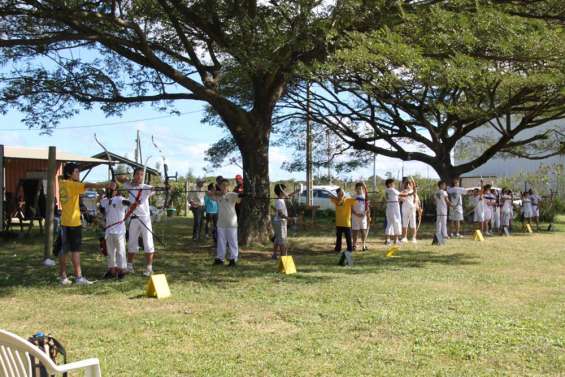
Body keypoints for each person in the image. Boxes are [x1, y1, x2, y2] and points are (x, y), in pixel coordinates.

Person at [57, 162, 115, 285]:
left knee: (63, 250)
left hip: (64, 222)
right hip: (73, 223)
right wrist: (107, 184)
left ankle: (63, 277)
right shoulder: (72, 185)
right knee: (75, 251)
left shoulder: (62, 183)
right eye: (76, 172)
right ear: (69, 173)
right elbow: (89, 184)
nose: (78, 174)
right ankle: (79, 278)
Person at [124, 167, 159, 277]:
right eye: (138, 174)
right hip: (134, 217)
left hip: (145, 218)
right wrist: (130, 182)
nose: (140, 176)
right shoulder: (129, 186)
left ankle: (149, 268)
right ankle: (129, 266)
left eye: (142, 174)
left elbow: (155, 189)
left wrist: (161, 187)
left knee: (148, 242)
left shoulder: (146, 187)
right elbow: (119, 179)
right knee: (132, 242)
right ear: (134, 175)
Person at [208, 179, 242, 266]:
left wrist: (242, 194)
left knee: (232, 241)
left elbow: (239, 197)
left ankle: (233, 259)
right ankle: (220, 258)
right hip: (221, 222)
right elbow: (209, 194)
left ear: (228, 187)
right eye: (222, 186)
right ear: (219, 187)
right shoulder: (218, 196)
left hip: (231, 222)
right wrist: (216, 192)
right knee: (221, 241)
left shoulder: (231, 195)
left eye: (226, 186)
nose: (224, 187)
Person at [100, 186, 130, 280]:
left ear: (117, 190)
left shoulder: (120, 199)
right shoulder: (105, 200)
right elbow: (102, 209)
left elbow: (127, 203)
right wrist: (102, 198)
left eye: (113, 188)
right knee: (110, 252)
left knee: (121, 251)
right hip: (109, 231)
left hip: (119, 231)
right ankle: (112, 270)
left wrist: (132, 203)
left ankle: (122, 270)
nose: (110, 189)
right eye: (109, 188)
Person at [271, 183, 300, 259]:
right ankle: (284, 257)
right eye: (284, 190)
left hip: (279, 222)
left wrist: (295, 192)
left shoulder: (281, 199)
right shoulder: (280, 201)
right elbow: (280, 214)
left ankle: (274, 255)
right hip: (280, 222)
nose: (286, 192)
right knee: (282, 241)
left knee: (277, 239)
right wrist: (290, 219)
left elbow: (288, 196)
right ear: (281, 192)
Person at [330, 188, 357, 266]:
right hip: (339, 223)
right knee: (338, 237)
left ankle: (350, 249)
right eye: (339, 193)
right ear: (337, 194)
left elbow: (355, 200)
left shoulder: (348, 200)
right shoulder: (336, 201)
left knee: (348, 237)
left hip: (346, 223)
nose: (341, 194)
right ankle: (338, 249)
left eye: (342, 193)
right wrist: (337, 198)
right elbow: (331, 197)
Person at [384, 178, 409, 245]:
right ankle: (395, 240)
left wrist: (402, 196)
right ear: (389, 184)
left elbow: (398, 197)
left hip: (390, 207)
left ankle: (388, 240)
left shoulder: (387, 190)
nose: (394, 184)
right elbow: (402, 194)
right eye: (393, 183)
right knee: (396, 222)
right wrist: (410, 192)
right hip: (394, 208)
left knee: (389, 223)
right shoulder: (392, 189)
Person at [351, 182, 370, 251]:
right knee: (355, 231)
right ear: (355, 189)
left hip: (363, 217)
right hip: (355, 217)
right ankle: (354, 245)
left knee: (363, 231)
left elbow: (367, 206)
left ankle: (363, 245)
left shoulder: (365, 196)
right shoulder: (353, 197)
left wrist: (365, 213)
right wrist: (356, 213)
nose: (360, 189)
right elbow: (351, 207)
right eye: (358, 188)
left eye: (361, 188)